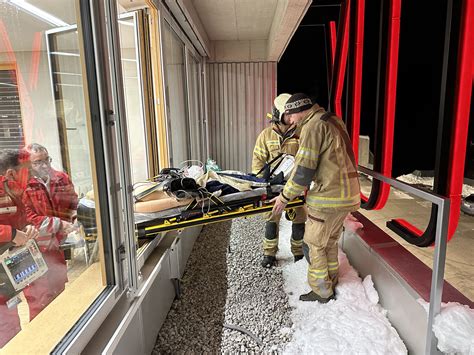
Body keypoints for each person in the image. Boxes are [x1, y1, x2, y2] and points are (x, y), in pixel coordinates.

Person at [271, 93, 360, 303]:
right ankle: (331, 281)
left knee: (314, 244)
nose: (290, 122)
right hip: (347, 195)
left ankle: (321, 291)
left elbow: (303, 170)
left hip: (328, 197)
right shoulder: (332, 119)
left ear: (297, 112)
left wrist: (284, 197)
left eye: (290, 117)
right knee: (328, 243)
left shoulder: (313, 127)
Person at [22, 143, 78, 320]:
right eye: (38, 162)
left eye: (47, 160)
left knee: (60, 291)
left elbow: (73, 204)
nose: (45, 165)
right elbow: (27, 217)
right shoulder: (21, 185)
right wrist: (58, 224)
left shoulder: (61, 178)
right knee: (40, 299)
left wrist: (74, 221)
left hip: (57, 247)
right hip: (33, 249)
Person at [252, 93, 308, 268]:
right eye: (287, 114)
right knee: (271, 218)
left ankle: (298, 252)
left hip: (295, 187)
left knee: (299, 218)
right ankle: (269, 253)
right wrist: (263, 184)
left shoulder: (301, 134)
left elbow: (307, 161)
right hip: (272, 188)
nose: (291, 118)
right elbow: (257, 162)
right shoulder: (266, 136)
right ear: (278, 113)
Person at [0, 149, 39, 347]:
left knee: (12, 324)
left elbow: (18, 223)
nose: (32, 174)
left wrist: (26, 229)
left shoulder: (13, 192)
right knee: (6, 328)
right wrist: (14, 235)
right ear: (11, 174)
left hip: (6, 276)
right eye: (28, 170)